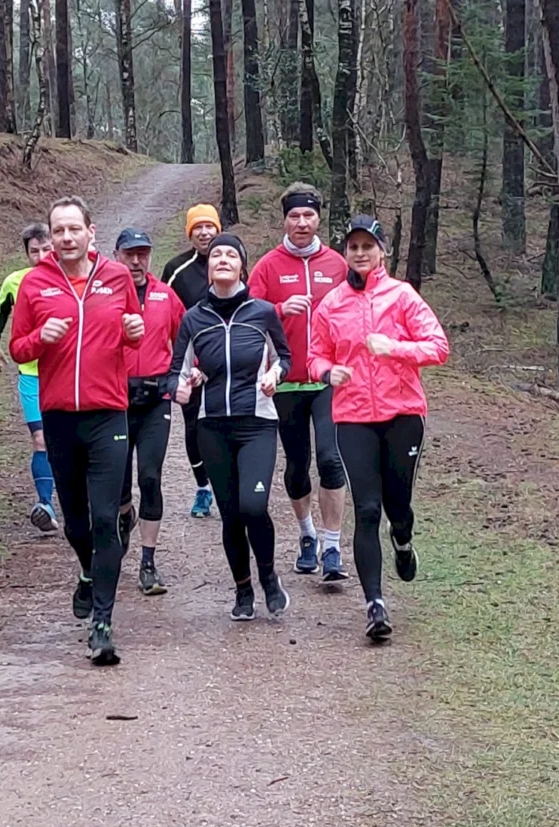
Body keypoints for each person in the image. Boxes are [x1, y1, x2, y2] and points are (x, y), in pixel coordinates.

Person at [9, 196, 145, 666]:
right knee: (75, 522)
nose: (66, 238)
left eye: (74, 229)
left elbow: (134, 333)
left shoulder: (116, 277)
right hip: (60, 416)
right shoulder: (35, 284)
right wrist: (38, 340)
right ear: (51, 237)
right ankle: (88, 572)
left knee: (106, 519)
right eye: (58, 231)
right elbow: (17, 346)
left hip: (108, 413)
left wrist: (133, 330)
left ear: (91, 231)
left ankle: (102, 625)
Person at [309, 215, 449, 642]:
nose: (360, 253)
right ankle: (375, 604)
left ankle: (402, 540)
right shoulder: (331, 304)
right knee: (367, 508)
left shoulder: (402, 297)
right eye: (353, 246)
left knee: (397, 504)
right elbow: (314, 356)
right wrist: (327, 371)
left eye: (368, 246)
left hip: (403, 414)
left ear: (382, 251)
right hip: (353, 418)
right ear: (345, 253)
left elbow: (438, 347)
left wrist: (395, 349)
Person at [170, 233, 292, 622]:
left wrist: (274, 375)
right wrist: (182, 385)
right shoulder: (194, 319)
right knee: (230, 514)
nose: (222, 259)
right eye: (216, 255)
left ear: (243, 266)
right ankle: (243, 590)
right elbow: (176, 371)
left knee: (253, 506)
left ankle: (269, 577)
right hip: (212, 427)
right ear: (208, 268)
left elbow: (284, 358)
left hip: (257, 422)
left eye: (231, 255)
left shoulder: (263, 312)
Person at [248, 182, 349, 580]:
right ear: (285, 220)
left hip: (327, 380)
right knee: (296, 465)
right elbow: (246, 313)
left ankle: (332, 547)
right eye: (294, 216)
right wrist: (278, 307)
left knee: (330, 458)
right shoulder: (268, 266)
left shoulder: (338, 265)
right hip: (286, 380)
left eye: (308, 215)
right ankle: (307, 534)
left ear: (318, 217)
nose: (302, 223)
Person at [114, 228, 186, 596]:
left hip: (157, 399)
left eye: (143, 254)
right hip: (115, 401)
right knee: (119, 483)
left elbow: (185, 339)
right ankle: (125, 515)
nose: (138, 261)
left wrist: (183, 376)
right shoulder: (105, 296)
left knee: (151, 476)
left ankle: (148, 563)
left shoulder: (165, 295)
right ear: (118, 255)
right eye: (131, 254)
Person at [0, 223, 59, 534]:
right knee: (40, 439)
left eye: (46, 249)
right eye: (34, 251)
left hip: (67, 374)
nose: (41, 256)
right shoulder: (16, 281)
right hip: (31, 374)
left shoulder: (71, 277)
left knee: (71, 441)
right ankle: (45, 504)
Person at [161, 203, 221, 518]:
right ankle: (202, 487)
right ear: (189, 232)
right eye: (198, 227)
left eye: (209, 226)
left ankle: (226, 486)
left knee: (224, 424)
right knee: (194, 426)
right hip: (189, 363)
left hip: (226, 363)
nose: (204, 232)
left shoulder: (231, 260)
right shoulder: (176, 269)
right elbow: (160, 308)